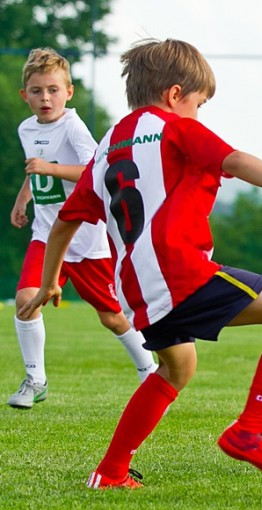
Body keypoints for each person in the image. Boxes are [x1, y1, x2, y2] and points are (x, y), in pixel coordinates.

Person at [19, 39, 262, 488]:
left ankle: (111, 471)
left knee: (178, 367)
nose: (198, 114)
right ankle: (252, 428)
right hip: (179, 273)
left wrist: (50, 281)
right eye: (199, 103)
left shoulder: (107, 147)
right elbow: (236, 160)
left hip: (136, 290)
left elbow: (62, 225)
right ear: (175, 95)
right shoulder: (173, 127)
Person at [9, 48, 157, 410]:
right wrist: (23, 198)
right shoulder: (26, 128)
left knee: (111, 316)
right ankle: (35, 379)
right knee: (26, 300)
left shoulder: (74, 127)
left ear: (69, 92)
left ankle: (149, 372)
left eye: (53, 90)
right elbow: (36, 169)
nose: (45, 98)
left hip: (86, 237)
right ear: (24, 94)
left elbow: (94, 172)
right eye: (37, 90)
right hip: (46, 234)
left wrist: (49, 169)